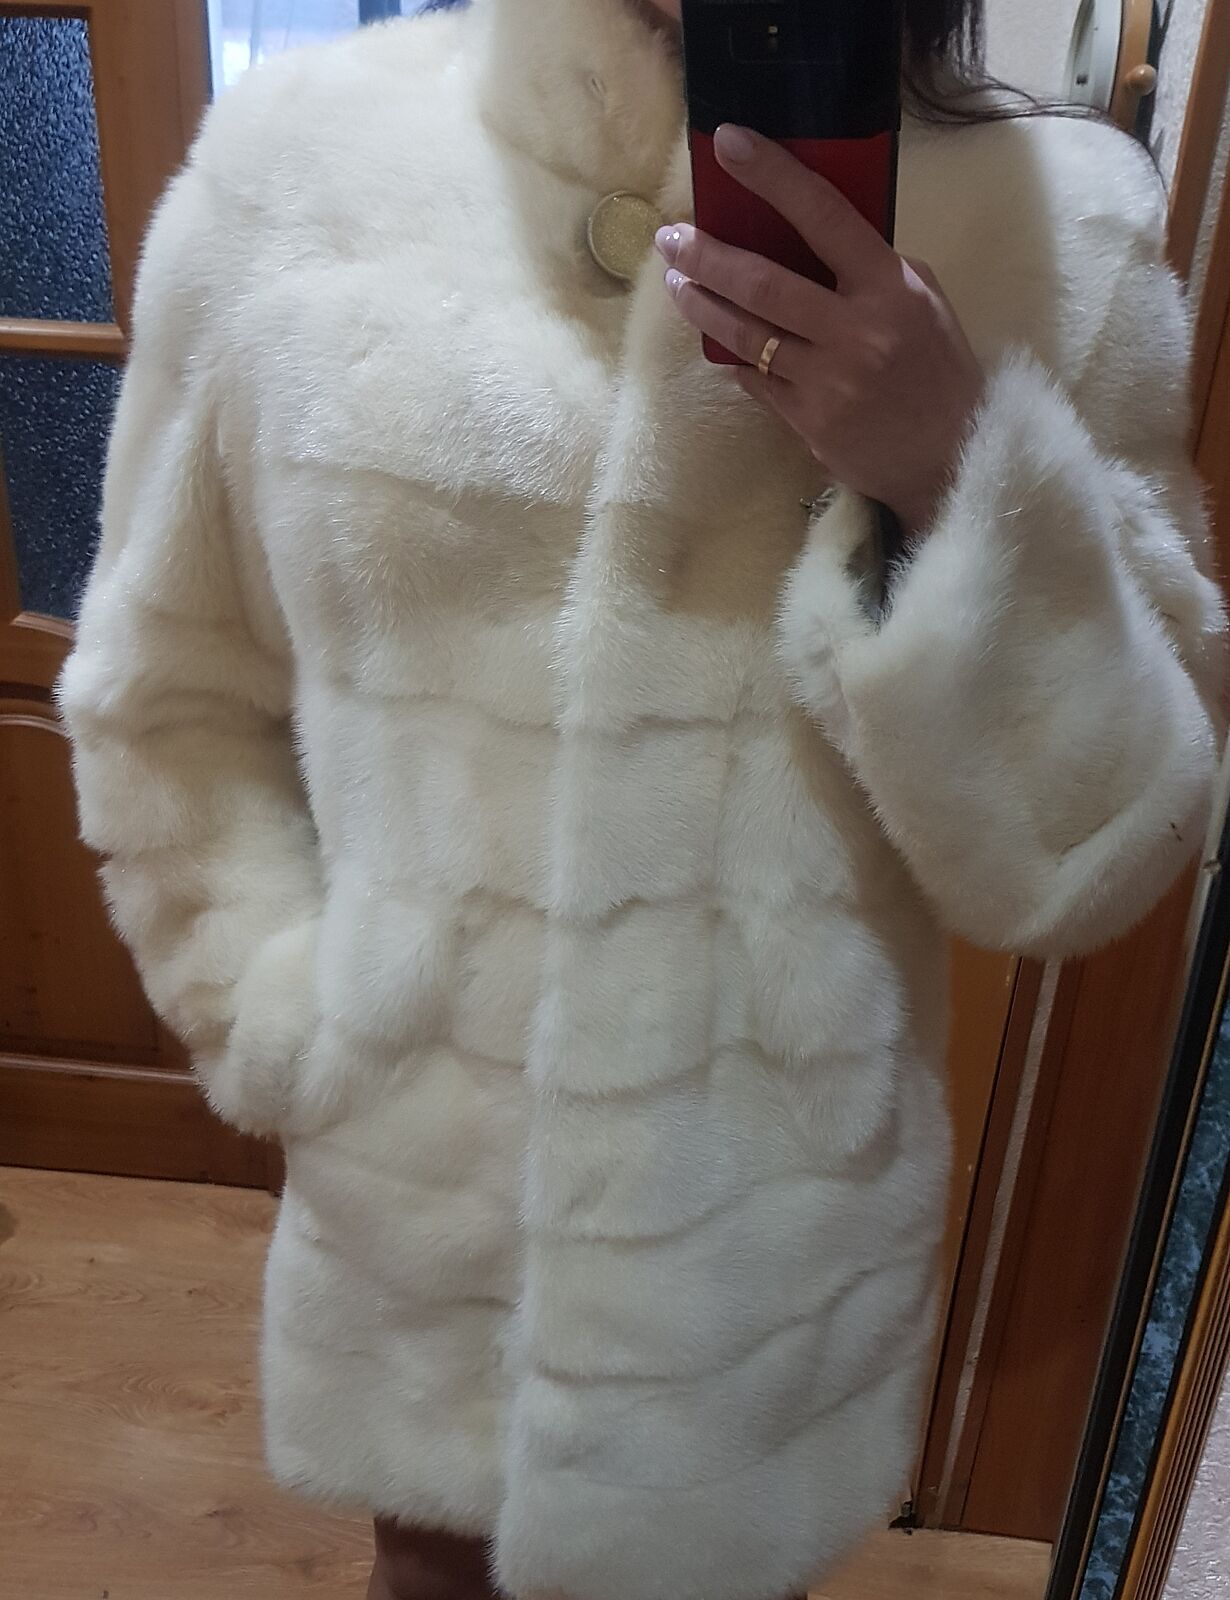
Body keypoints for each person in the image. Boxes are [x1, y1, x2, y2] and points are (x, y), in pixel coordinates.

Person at [59, 1, 1226, 1598]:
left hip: (759, 1284)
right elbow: (162, 689)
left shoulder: (1063, 235)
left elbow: (1105, 842)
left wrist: (954, 468)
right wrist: (280, 1011)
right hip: (422, 1243)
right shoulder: (300, 169)